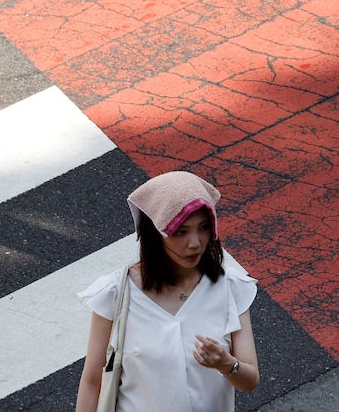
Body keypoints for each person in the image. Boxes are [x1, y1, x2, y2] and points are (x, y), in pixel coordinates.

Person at [75, 171, 260, 412]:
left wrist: (226, 364)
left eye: (203, 228)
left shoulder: (231, 287)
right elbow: (92, 381)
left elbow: (250, 381)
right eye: (180, 232)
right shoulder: (116, 293)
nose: (195, 243)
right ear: (156, 234)